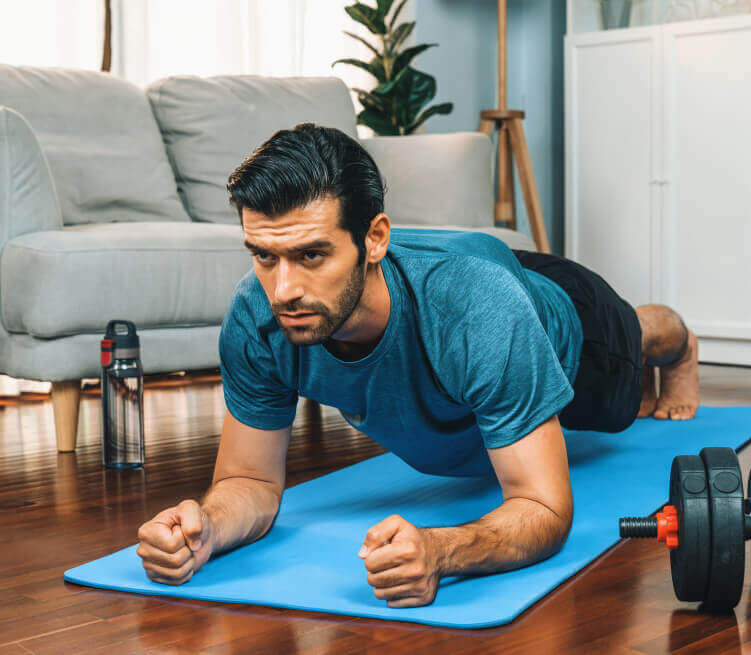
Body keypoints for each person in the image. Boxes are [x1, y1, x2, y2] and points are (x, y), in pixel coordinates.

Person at [135, 123, 699, 608]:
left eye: (312, 255)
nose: (283, 290)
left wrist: (441, 550)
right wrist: (206, 527)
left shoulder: (477, 310)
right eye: (264, 255)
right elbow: (250, 480)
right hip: (463, 279)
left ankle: (675, 339)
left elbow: (543, 506)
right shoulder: (256, 316)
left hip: (562, 317)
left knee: (632, 348)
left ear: (375, 238)